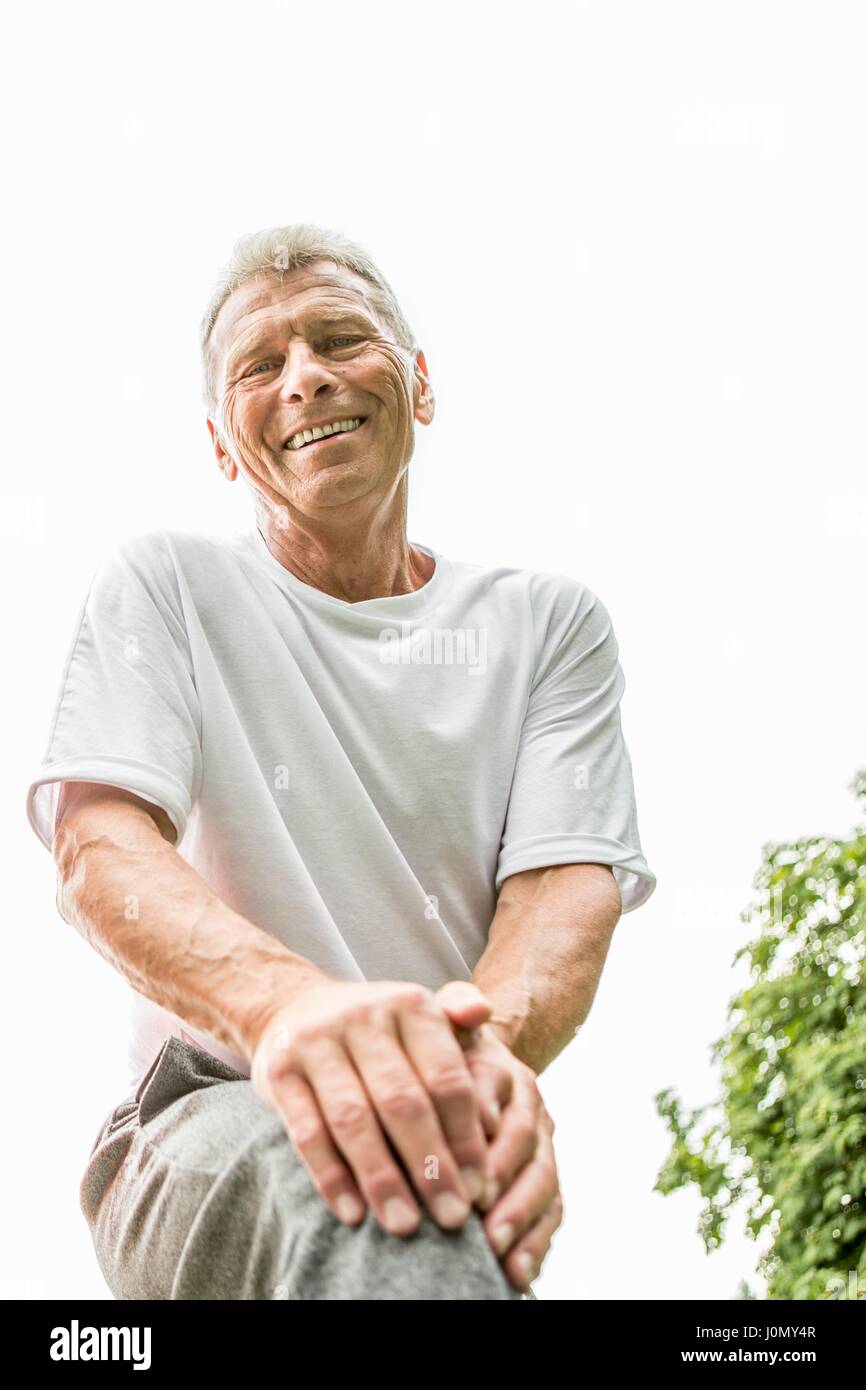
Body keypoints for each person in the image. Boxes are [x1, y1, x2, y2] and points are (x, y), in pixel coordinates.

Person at [26, 223, 657, 1300]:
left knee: (415, 1223)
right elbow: (101, 846)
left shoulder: (547, 625)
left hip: (436, 1116)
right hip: (203, 1105)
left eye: (338, 341)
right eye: (260, 365)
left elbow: (561, 892)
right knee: (375, 1208)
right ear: (224, 442)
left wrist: (469, 1061)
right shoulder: (167, 587)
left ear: (418, 386)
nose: (306, 379)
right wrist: (288, 1011)